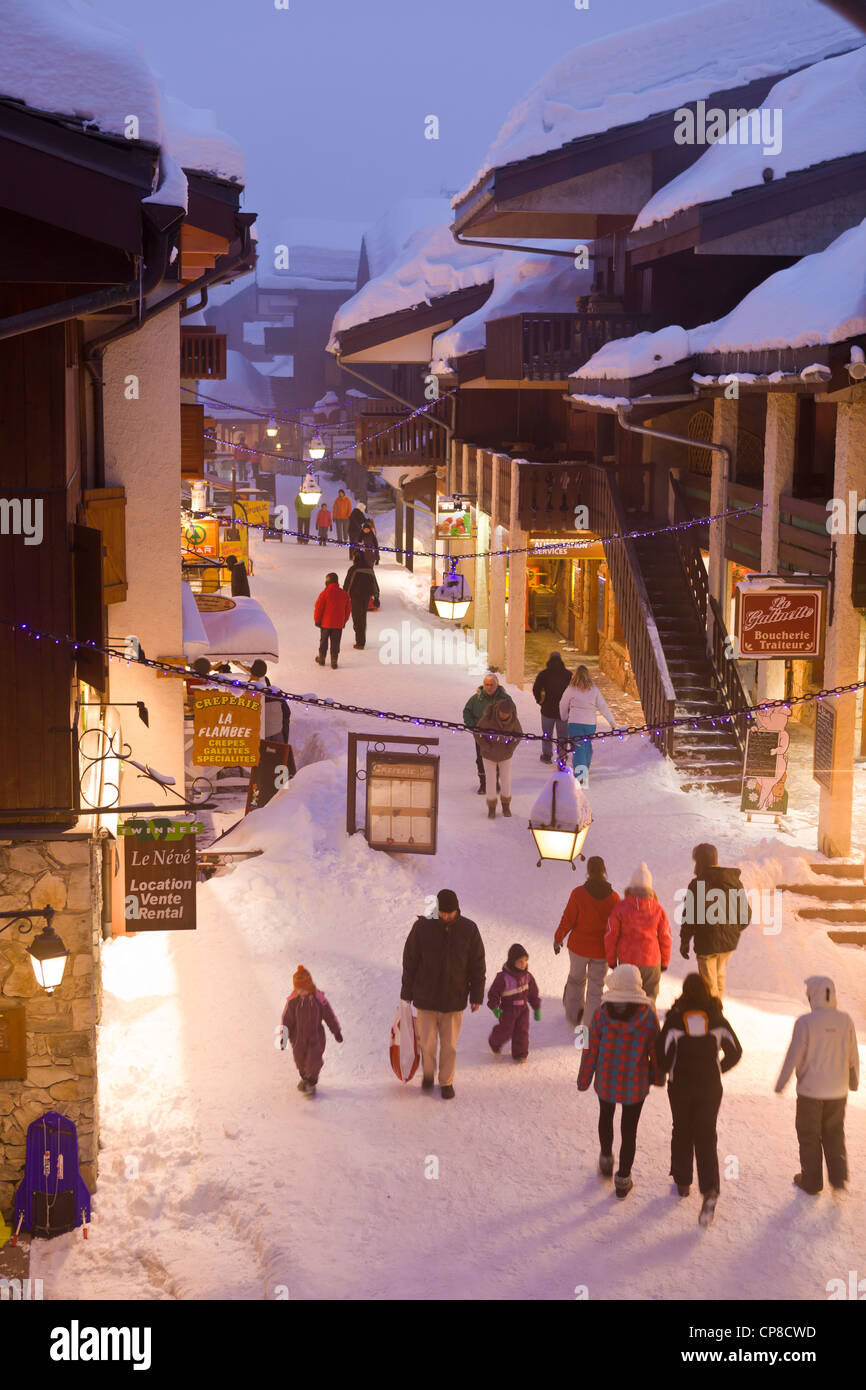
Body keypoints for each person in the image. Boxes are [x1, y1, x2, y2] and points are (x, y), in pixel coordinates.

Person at [656, 972, 742, 1225]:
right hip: (710, 1087)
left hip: (680, 1086)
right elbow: (736, 1052)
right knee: (706, 1135)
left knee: (681, 1131)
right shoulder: (718, 1019)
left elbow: (661, 1059)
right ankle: (710, 1189)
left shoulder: (674, 1020)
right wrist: (718, 1069)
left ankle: (683, 1182)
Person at [577, 964, 660, 1199]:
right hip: (635, 1084)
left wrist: (584, 1078)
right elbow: (656, 1050)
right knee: (629, 1130)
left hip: (607, 1081)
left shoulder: (602, 1013)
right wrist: (657, 1076)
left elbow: (589, 1048)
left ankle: (605, 1156)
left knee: (606, 1117)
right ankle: (623, 1178)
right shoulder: (647, 1015)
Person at [775, 976, 860, 1195]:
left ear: (813, 996)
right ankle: (839, 1178)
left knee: (809, 1135)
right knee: (834, 1132)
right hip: (838, 1091)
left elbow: (793, 1055)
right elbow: (853, 1055)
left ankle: (811, 1182)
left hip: (810, 1093)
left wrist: (781, 1083)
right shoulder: (846, 1020)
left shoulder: (805, 1022)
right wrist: (854, 1080)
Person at [400, 888, 486, 1099]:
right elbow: (410, 961)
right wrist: (407, 991)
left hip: (454, 999)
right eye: (443, 912)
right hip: (426, 998)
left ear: (457, 910)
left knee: (449, 1046)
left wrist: (476, 995)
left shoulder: (469, 929)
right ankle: (428, 1074)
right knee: (426, 1043)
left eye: (451, 912)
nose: (447, 916)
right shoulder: (422, 927)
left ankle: (446, 1081)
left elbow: (477, 965)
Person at [554, 855, 619, 1027]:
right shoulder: (614, 899)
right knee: (596, 988)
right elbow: (616, 928)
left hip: (578, 948)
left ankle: (574, 1017)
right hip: (601, 951)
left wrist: (558, 937)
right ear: (604, 871)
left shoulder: (578, 894)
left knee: (576, 980)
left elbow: (568, 918)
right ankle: (591, 1023)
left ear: (588, 871)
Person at [679, 843, 750, 999]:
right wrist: (733, 929)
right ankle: (718, 1009)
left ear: (700, 862)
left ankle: (713, 1014)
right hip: (728, 943)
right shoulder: (734, 882)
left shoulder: (697, 885)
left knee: (708, 984)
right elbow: (746, 914)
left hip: (707, 943)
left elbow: (689, 917)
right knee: (719, 977)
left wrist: (685, 941)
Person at [604, 863, 671, 1006]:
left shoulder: (621, 908)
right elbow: (666, 936)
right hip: (652, 962)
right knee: (649, 999)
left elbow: (611, 935)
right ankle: (649, 1025)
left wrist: (611, 960)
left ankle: (628, 1025)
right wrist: (664, 961)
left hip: (627, 961)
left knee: (627, 997)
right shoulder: (658, 909)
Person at [280, 964, 343, 1095]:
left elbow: (329, 1015)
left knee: (314, 1061)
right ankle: (304, 1078)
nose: (300, 992)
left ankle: (311, 1082)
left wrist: (336, 1031)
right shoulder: (293, 1001)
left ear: (309, 987)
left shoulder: (319, 999)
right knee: (300, 1061)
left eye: (303, 989)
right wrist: (284, 1037)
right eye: (298, 989)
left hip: (316, 1037)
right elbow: (286, 1020)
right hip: (297, 1039)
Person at [559, 665, 616, 781]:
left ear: (575, 675)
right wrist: (612, 723)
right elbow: (603, 707)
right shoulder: (593, 690)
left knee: (578, 747)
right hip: (590, 724)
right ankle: (585, 768)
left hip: (575, 722)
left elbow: (562, 704)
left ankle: (581, 776)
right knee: (587, 746)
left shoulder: (571, 689)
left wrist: (564, 716)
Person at [487, 944, 541, 1063]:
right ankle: (494, 1042)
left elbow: (533, 994)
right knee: (506, 1029)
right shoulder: (503, 977)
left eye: (525, 961)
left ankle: (520, 1054)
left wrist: (536, 1007)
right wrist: (495, 1007)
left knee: (522, 1031)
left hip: (523, 1010)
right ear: (512, 962)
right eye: (520, 961)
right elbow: (493, 994)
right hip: (507, 1010)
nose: (524, 964)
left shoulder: (528, 977)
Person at [474, 695, 522, 819]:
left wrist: (510, 747)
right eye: (502, 713)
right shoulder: (489, 717)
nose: (504, 716)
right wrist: (485, 746)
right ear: (498, 710)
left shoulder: (513, 720)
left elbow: (519, 735)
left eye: (506, 714)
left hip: (505, 755)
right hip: (489, 755)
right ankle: (491, 808)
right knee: (490, 781)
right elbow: (477, 732)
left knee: (506, 780)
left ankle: (506, 806)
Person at [463, 670, 509, 796]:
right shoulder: (476, 698)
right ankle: (483, 784)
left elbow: (512, 713)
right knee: (481, 759)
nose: (488, 688)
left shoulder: (504, 699)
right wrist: (473, 727)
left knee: (497, 759)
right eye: (486, 685)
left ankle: (495, 783)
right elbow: (467, 711)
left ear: (496, 685)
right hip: (481, 736)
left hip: (498, 736)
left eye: (491, 685)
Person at [532, 652, 572, 764]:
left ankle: (547, 755)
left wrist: (540, 701)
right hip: (563, 711)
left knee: (547, 734)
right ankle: (562, 755)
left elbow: (536, 689)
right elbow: (573, 692)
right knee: (563, 735)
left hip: (547, 710)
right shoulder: (568, 675)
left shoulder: (543, 674)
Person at [313, 572, 352, 668]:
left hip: (325, 624)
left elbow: (319, 608)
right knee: (335, 642)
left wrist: (317, 620)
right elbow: (348, 610)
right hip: (338, 624)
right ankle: (334, 661)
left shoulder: (324, 593)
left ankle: (322, 658)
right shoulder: (344, 594)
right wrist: (343, 621)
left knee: (323, 641)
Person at [248, 659, 291, 744]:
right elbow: (287, 713)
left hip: (261, 736)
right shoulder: (276, 692)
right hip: (278, 733)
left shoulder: (250, 693)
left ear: (252, 673)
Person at [343, 551, 379, 650]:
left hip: (356, 597)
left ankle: (360, 642)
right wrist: (376, 596)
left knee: (357, 618)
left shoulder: (353, 569)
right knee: (362, 616)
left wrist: (344, 596)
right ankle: (361, 639)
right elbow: (374, 583)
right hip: (366, 596)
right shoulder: (369, 568)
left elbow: (347, 583)